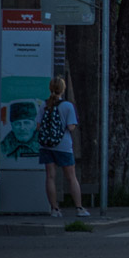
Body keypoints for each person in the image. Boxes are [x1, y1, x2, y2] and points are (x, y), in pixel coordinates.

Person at [39, 77, 89, 217]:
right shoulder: (67, 106)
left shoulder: (44, 105)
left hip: (46, 145)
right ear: (63, 89)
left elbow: (38, 126)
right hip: (63, 145)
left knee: (50, 176)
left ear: (50, 88)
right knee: (71, 177)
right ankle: (79, 208)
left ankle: (54, 209)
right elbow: (71, 127)